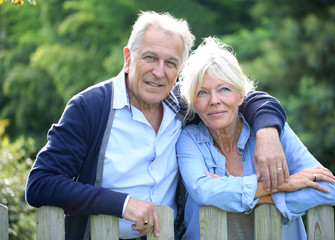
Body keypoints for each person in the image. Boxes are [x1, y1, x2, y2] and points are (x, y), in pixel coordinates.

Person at [25, 12, 287, 240]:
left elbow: (247, 98)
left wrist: (267, 133)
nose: (159, 72)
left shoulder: (185, 107)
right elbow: (41, 184)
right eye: (150, 58)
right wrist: (122, 204)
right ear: (128, 58)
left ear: (179, 71)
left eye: (170, 63)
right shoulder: (90, 107)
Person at [176, 37, 335, 240]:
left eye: (224, 89)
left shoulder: (273, 134)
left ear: (241, 96)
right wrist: (283, 185)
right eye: (202, 92)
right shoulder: (188, 139)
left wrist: (257, 197)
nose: (214, 100)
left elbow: (329, 191)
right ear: (193, 101)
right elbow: (205, 192)